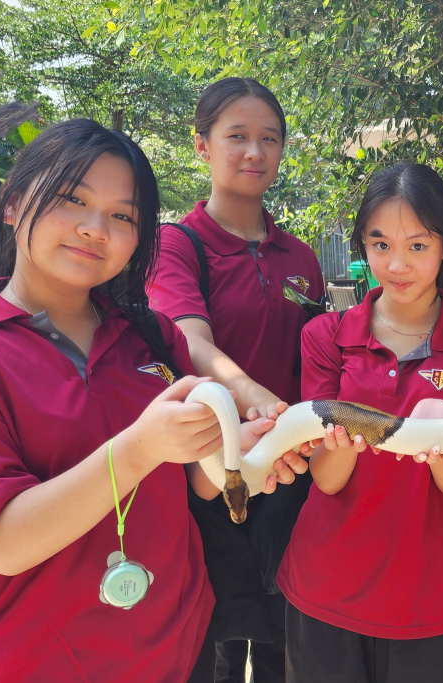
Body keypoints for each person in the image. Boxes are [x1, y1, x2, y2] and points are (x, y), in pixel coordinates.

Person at [0, 119, 306, 682]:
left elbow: (185, 481)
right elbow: (0, 544)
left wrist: (234, 456)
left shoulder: (153, 337)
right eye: (71, 199)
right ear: (13, 204)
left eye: (123, 215)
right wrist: (137, 450)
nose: (95, 228)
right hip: (29, 664)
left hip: (177, 654)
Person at [277, 162, 443, 683]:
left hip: (425, 594)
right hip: (325, 584)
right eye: (380, 245)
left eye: (418, 247)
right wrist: (341, 440)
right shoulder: (326, 334)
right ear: (362, 243)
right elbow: (328, 477)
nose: (397, 265)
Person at [146, 77, 324, 682]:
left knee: (284, 643)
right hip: (209, 477)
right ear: (202, 145)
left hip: (290, 475)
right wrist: (259, 401)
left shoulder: (300, 258)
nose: (255, 152)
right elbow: (189, 343)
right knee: (214, 646)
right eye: (238, 137)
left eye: (269, 139)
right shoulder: (177, 244)